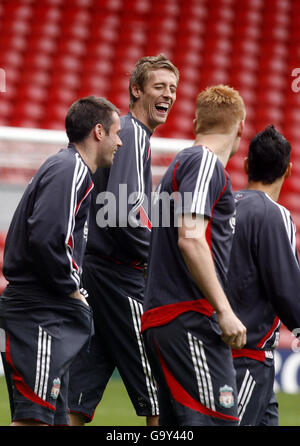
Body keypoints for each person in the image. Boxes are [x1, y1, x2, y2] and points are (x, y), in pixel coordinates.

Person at [68, 54, 179, 426]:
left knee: (78, 398)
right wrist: (163, 256)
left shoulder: (130, 135)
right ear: (136, 90)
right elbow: (121, 215)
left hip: (97, 276)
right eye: (159, 87)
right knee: (162, 395)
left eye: (173, 88)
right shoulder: (131, 134)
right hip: (121, 279)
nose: (168, 95)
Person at [0, 96, 122, 426]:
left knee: (52, 420)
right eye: (116, 133)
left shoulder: (65, 167)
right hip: (39, 313)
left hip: (44, 312)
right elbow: (47, 237)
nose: (120, 141)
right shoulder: (72, 170)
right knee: (33, 421)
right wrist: (73, 290)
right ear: (99, 132)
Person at [141, 85, 247, 426]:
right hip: (188, 317)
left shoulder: (182, 164)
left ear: (195, 121)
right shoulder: (203, 162)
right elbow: (191, 239)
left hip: (169, 318)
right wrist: (224, 310)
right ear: (240, 127)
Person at [225, 124, 300, 426]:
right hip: (248, 355)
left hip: (222, 345)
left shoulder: (222, 205)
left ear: (246, 165)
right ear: (288, 169)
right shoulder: (274, 213)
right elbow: (286, 289)